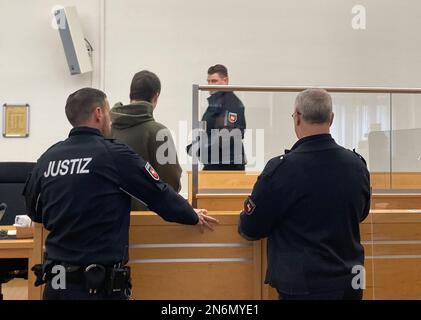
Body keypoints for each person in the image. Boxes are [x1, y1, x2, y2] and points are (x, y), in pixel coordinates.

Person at [23, 88, 218, 300]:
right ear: (98, 113)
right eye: (108, 111)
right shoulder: (113, 155)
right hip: (98, 289)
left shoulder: (48, 158)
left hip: (56, 287)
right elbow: (158, 194)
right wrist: (190, 214)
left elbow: (34, 211)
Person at [238, 89, 371, 300]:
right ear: (332, 119)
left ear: (297, 117)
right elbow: (361, 213)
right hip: (350, 283)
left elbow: (251, 227)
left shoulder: (281, 169)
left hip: (302, 287)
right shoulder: (357, 165)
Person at [111, 70, 182, 211]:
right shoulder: (159, 132)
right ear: (156, 97)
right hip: (147, 217)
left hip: (110, 215)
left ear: (130, 94)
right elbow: (171, 181)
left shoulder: (106, 129)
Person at [187, 64, 247, 170]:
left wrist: (200, 147)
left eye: (214, 81)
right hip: (214, 162)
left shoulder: (232, 104)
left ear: (226, 80)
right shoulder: (215, 105)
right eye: (208, 81)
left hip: (228, 166)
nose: (210, 85)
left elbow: (227, 135)